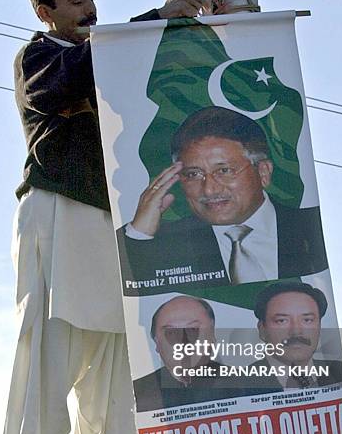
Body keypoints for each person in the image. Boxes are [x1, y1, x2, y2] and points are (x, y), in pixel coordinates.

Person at [0, 0, 209, 434]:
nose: (89, 8)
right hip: (57, 210)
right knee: (48, 352)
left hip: (115, 218)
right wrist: (159, 15)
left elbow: (145, 67)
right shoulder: (40, 58)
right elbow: (83, 76)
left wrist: (192, 19)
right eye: (74, 0)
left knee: (117, 365)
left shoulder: (112, 51)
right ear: (45, 11)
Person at [116, 106, 328, 296]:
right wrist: (139, 233)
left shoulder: (316, 228)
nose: (209, 189)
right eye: (193, 174)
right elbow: (134, 306)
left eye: (224, 170)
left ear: (263, 172)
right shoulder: (165, 244)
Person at [253, 281, 342, 389]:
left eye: (307, 320)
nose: (296, 331)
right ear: (262, 330)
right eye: (282, 321)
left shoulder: (341, 373)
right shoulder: (236, 386)